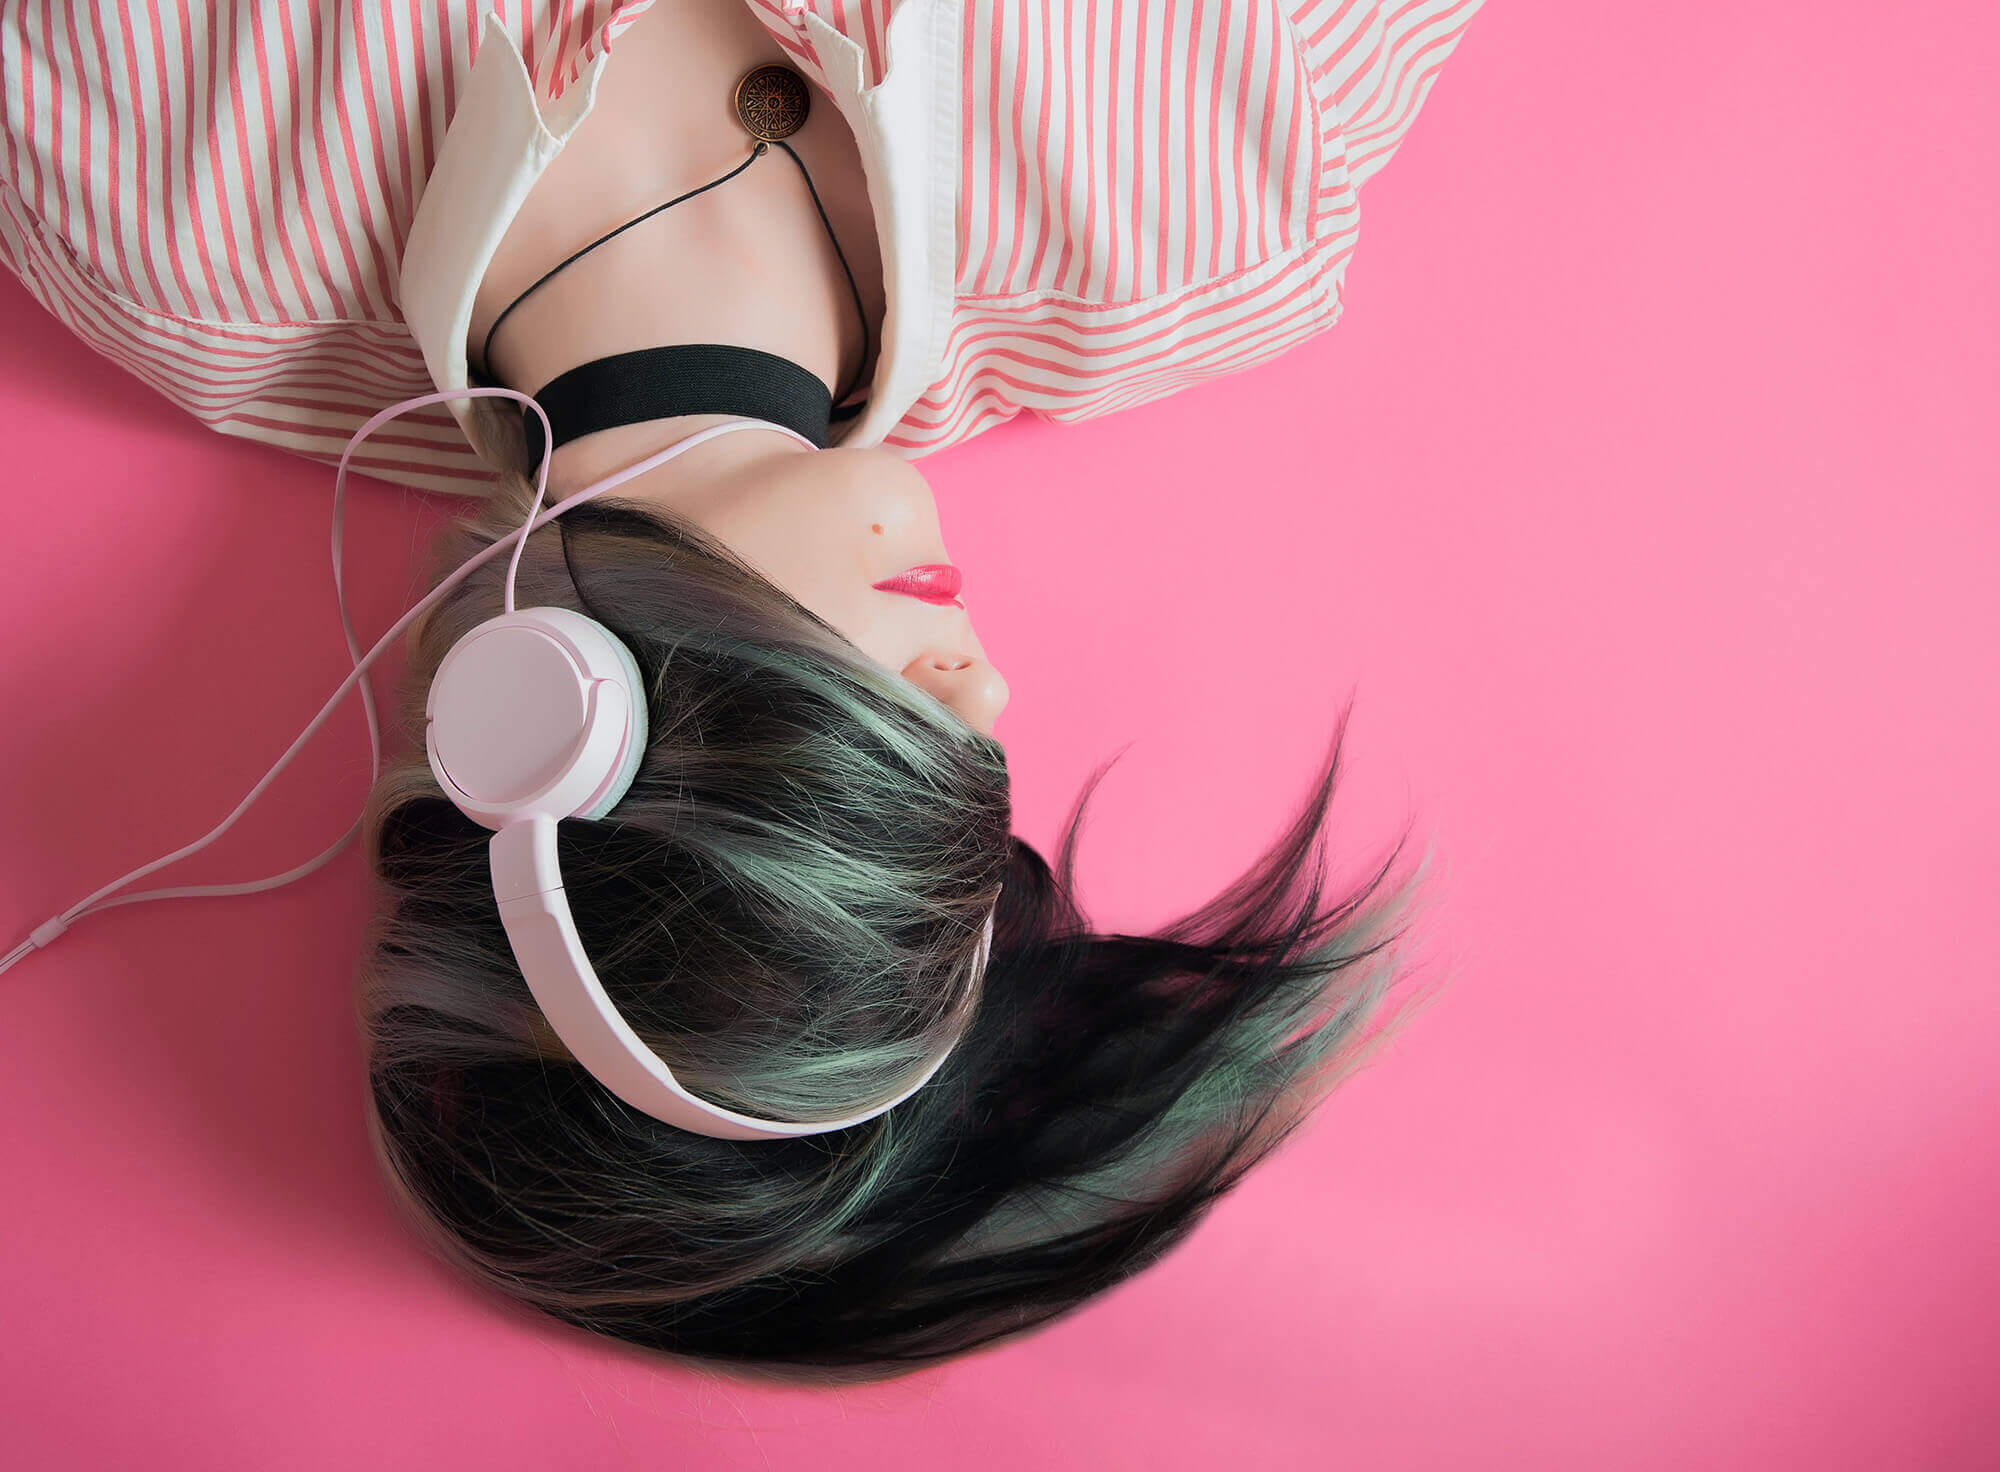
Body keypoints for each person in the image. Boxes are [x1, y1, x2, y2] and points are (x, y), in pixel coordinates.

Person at [1, 0, 1480, 1380]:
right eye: (976, 828)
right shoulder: (1218, 195)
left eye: (885, 770)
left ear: (553, 718)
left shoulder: (155, 201)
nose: (988, 690)